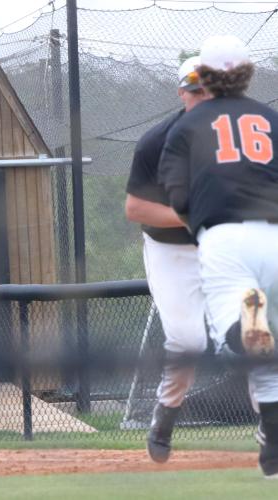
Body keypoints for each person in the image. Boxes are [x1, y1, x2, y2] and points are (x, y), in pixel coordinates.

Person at [159, 34, 278, 479]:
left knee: (243, 334)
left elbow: (177, 193)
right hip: (275, 235)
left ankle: (245, 323)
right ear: (247, 74)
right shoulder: (270, 118)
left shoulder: (188, 125)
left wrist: (202, 228)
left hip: (226, 237)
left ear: (203, 76)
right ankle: (272, 448)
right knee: (267, 355)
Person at [125, 56, 209, 463]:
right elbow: (136, 208)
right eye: (194, 89)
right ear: (182, 93)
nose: (203, 97)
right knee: (189, 341)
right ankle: (166, 415)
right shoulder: (157, 142)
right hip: (172, 250)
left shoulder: (249, 140)